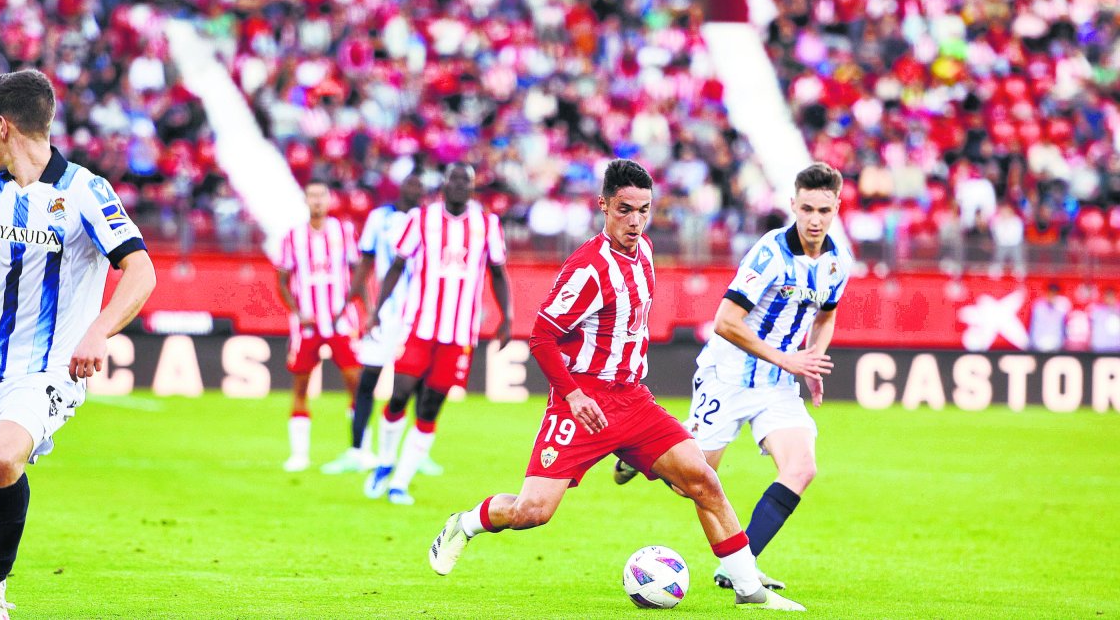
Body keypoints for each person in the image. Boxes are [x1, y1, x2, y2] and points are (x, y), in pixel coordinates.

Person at [426, 159, 805, 612]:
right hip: (582, 404)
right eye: (625, 209)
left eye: (644, 210)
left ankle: (751, 591)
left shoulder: (644, 254)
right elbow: (542, 335)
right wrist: (573, 393)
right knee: (533, 512)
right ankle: (465, 524)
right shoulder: (587, 268)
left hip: (633, 400)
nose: (635, 221)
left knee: (702, 481)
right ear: (603, 205)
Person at [0, 70, 156, 619]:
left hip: (49, 368)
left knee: (3, 459)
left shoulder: (85, 191)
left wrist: (98, 330)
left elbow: (140, 270)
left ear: (3, 126)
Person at [615, 162, 850, 591]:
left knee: (800, 467)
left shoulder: (837, 261)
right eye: (807, 209)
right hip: (728, 376)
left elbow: (827, 314)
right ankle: (643, 452)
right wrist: (787, 358)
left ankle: (738, 565)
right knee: (694, 485)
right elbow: (725, 320)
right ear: (793, 205)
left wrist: (813, 360)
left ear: (837, 207)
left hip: (778, 384)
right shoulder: (770, 253)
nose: (815, 220)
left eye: (824, 211)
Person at [363, 163, 512, 505]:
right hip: (420, 325)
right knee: (400, 392)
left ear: (473, 188)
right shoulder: (420, 219)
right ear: (444, 185)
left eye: (467, 181)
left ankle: (400, 482)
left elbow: (498, 273)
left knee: (430, 407)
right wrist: (376, 310)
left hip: (459, 334)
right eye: (454, 179)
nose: (460, 185)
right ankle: (385, 462)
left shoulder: (487, 225)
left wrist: (508, 317)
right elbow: (398, 266)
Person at [322, 171, 434, 475]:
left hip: (420, 314)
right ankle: (357, 450)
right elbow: (366, 262)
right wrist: (352, 302)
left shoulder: (432, 220)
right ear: (401, 186)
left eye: (421, 186)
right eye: (412, 183)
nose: (417, 189)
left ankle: (417, 453)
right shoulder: (379, 218)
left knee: (419, 383)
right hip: (386, 313)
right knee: (366, 380)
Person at [275, 179, 363, 473]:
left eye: (321, 195)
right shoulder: (293, 237)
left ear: (329, 199)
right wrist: (297, 311)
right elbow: (282, 279)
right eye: (312, 196)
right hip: (308, 325)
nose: (317, 201)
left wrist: (358, 305)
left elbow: (359, 271)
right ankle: (299, 454)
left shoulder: (344, 232)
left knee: (356, 383)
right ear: (305, 200)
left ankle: (359, 449)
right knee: (301, 385)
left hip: (340, 321)